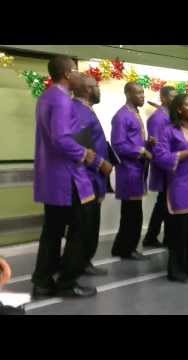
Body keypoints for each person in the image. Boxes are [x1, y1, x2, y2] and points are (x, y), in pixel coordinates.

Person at [32, 55, 97, 298]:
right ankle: (67, 283)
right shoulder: (61, 99)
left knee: (52, 231)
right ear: (68, 74)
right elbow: (60, 139)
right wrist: (84, 153)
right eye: (77, 71)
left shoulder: (46, 97)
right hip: (66, 177)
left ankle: (42, 281)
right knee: (80, 230)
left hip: (52, 176)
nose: (81, 75)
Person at [153, 94, 188, 283]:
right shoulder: (169, 131)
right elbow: (160, 157)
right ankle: (176, 270)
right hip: (180, 187)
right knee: (179, 232)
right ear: (179, 109)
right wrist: (187, 153)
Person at [72, 74, 112, 276]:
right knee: (84, 227)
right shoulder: (79, 112)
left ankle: (84, 262)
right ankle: (79, 265)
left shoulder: (88, 111)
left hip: (95, 178)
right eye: (96, 86)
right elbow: (80, 148)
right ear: (87, 89)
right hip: (86, 179)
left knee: (90, 225)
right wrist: (100, 163)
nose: (99, 89)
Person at [110, 82, 152, 261]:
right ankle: (127, 249)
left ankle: (121, 247)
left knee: (132, 213)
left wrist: (148, 144)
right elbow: (118, 145)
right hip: (128, 171)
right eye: (138, 93)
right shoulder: (122, 116)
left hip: (137, 170)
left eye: (143, 93)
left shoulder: (135, 113)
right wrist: (141, 151)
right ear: (127, 94)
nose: (142, 96)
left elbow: (134, 141)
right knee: (132, 214)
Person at [143, 86, 177, 248]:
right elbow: (157, 146)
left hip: (171, 165)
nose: (175, 99)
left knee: (165, 203)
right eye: (171, 96)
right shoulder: (158, 118)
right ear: (163, 98)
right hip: (164, 166)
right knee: (163, 202)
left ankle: (159, 236)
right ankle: (152, 237)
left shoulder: (169, 115)